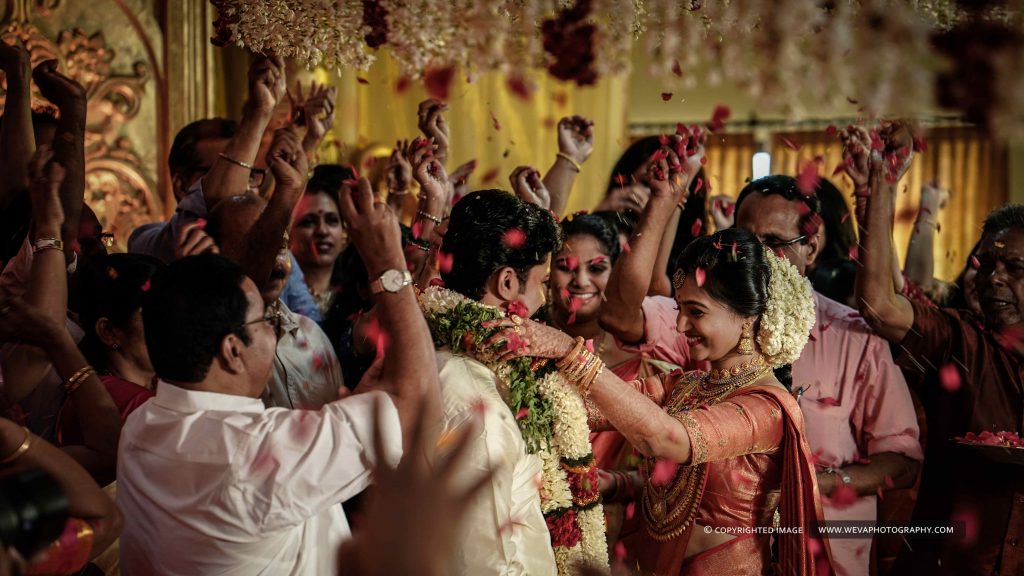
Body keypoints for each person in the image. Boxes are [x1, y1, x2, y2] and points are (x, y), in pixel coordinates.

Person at [117, 175, 438, 575]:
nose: (274, 328)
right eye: (261, 322)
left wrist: (355, 408)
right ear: (232, 351)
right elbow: (418, 403)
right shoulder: (255, 454)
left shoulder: (142, 426)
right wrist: (388, 264)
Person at [485, 219, 829, 574]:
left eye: (696, 312)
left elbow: (665, 438)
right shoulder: (686, 385)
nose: (680, 326)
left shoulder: (767, 408)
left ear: (747, 317)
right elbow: (583, 411)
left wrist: (570, 353)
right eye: (680, 309)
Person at [853, 124, 1024, 575]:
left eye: (1015, 268)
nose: (995, 279)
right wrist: (885, 181)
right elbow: (880, 305)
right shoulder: (959, 339)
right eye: (985, 265)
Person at [733, 173, 922, 576]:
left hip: (829, 556)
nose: (756, 258)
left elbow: (902, 461)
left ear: (811, 247)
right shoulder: (709, 331)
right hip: (733, 550)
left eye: (773, 243)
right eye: (745, 243)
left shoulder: (855, 339)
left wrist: (820, 484)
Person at [418, 189, 614, 574]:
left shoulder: (445, 348)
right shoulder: (477, 405)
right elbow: (481, 562)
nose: (544, 296)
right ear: (508, 284)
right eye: (541, 281)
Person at [207, 127, 344, 410]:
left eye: (280, 245)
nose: (276, 262)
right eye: (256, 246)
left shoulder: (311, 335)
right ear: (216, 253)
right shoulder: (210, 348)